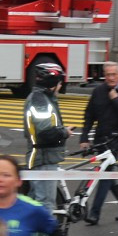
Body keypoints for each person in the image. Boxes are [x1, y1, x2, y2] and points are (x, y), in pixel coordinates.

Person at [80, 61, 118, 224]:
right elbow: (89, 115)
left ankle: (94, 213)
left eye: (114, 74)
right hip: (101, 140)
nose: (110, 78)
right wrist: (84, 138)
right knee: (110, 176)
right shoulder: (98, 91)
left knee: (105, 176)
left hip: (116, 140)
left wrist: (116, 100)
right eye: (108, 75)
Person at [23, 61, 72, 212]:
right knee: (45, 204)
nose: (60, 86)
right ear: (54, 83)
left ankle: (31, 234)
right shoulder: (40, 101)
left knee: (35, 202)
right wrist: (64, 132)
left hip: (43, 157)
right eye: (59, 82)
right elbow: (45, 133)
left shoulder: (44, 98)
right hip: (43, 158)